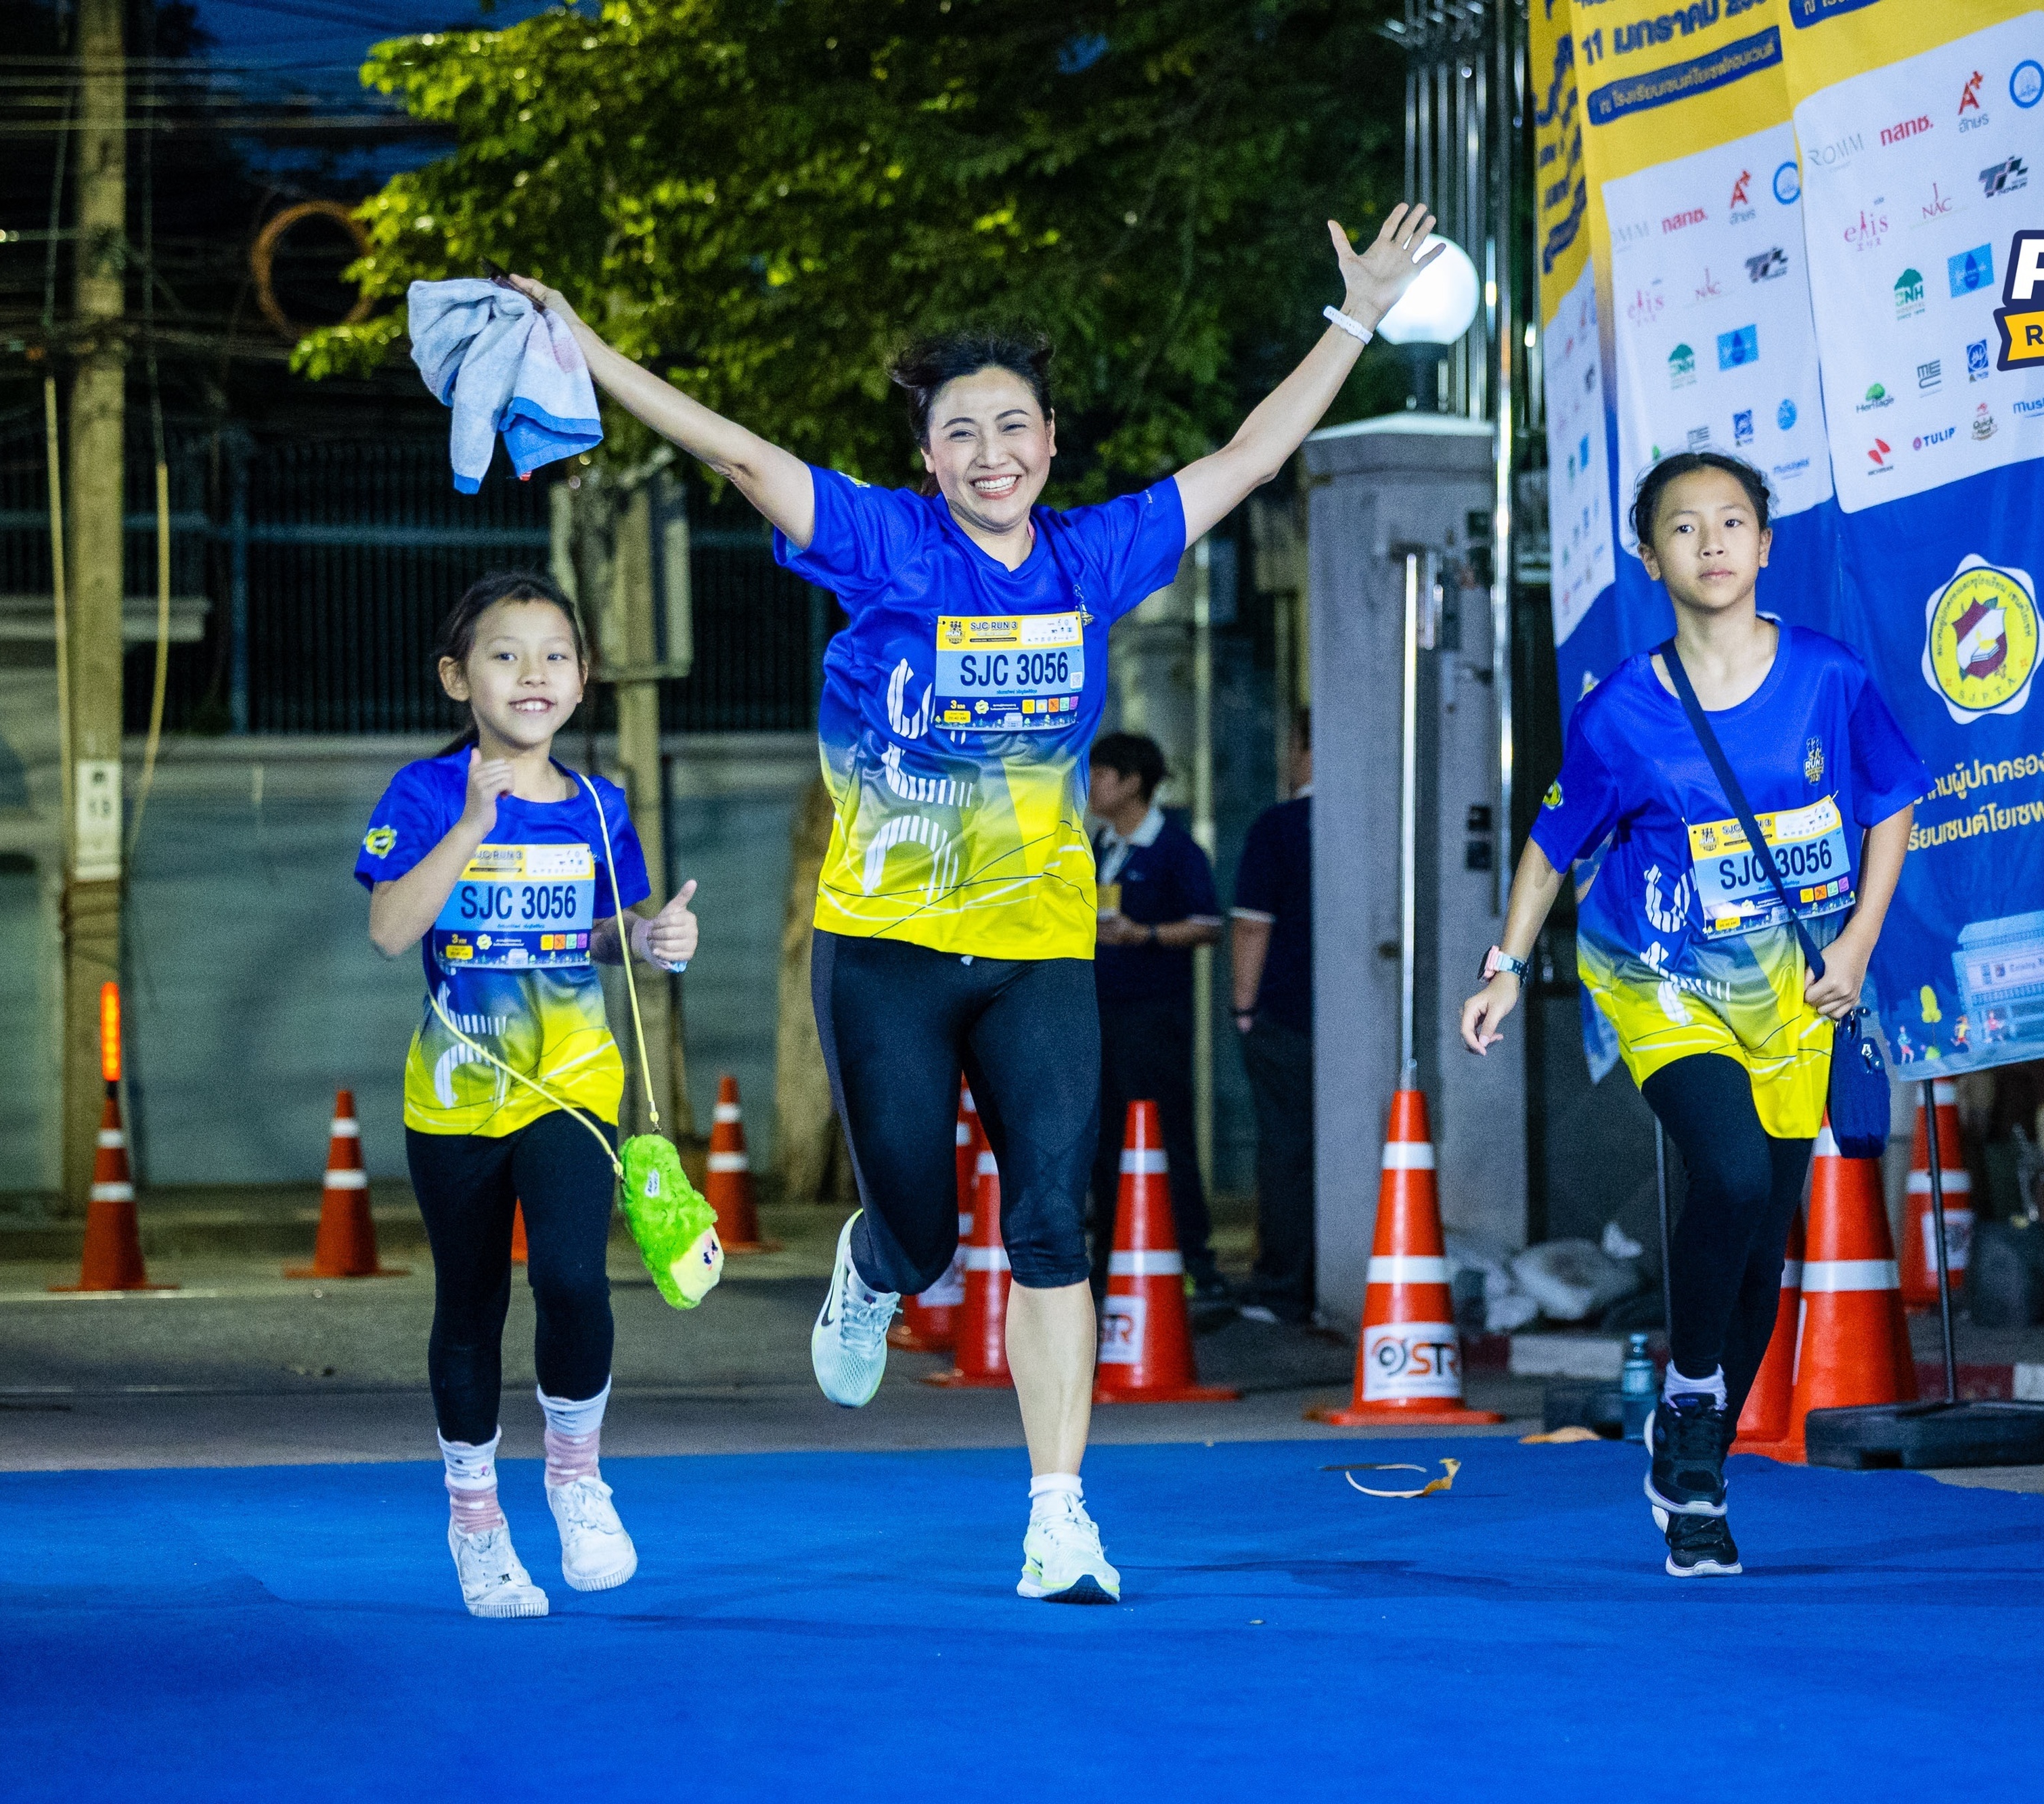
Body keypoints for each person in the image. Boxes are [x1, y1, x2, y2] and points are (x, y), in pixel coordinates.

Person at [501, 199, 1444, 1606]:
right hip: (883, 950)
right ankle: (873, 1267)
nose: (989, 451)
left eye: (1012, 427)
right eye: (959, 433)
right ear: (927, 458)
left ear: (1049, 443)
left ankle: (1059, 1517)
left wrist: (1356, 315)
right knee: (929, 1232)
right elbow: (736, 451)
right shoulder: (883, 543)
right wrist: (584, 348)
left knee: (1053, 1225)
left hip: (1035, 949)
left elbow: (1249, 457)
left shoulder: (1092, 555)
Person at [1458, 453, 1926, 1579]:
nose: (1711, 542)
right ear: (1649, 554)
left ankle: (1692, 1446)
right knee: (1731, 1171)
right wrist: (1505, 966)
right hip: (1660, 976)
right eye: (1684, 526)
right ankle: (1698, 1403)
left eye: (1732, 522)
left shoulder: (1828, 677)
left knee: (1764, 1242)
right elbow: (1552, 844)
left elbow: (1893, 801)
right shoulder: (1625, 709)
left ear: (1766, 545)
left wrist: (1859, 942)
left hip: (1794, 991)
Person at [357, 571, 703, 1619]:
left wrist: (650, 936)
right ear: (457, 678)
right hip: (455, 1095)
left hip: (573, 1082)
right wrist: (472, 821)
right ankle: (476, 1522)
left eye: (555, 654)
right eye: (505, 654)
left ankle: (575, 1478)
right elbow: (390, 931)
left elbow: (598, 933)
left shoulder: (600, 805)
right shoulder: (424, 792)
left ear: (583, 678)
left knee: (573, 1278)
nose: (533, 673)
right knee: (471, 1305)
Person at [1084, 731, 1224, 1294]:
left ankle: (1194, 1259)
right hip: (1099, 1012)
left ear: (1133, 782)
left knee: (1164, 1132)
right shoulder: (1097, 846)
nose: (1090, 786)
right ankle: (1108, 1257)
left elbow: (1208, 924)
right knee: (1104, 1136)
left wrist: (1143, 935)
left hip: (1153, 1015)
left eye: (1101, 775)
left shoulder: (1174, 849)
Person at [1229, 710, 1314, 1326]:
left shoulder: (1280, 827)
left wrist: (1243, 1007)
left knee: (1285, 1150)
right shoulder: (1369, 822)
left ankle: (1285, 1287)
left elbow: (1251, 927)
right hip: (1358, 1023)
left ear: (1307, 749)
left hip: (1286, 1012)